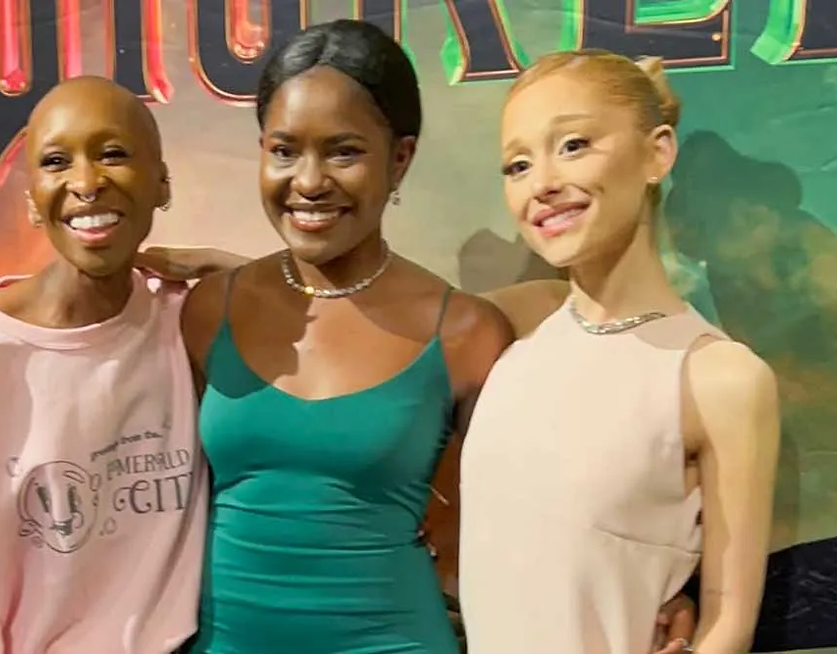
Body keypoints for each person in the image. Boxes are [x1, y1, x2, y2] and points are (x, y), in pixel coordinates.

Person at [132, 19, 697, 654]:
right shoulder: (211, 310)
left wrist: (651, 591)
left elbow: (543, 504)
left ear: (400, 158)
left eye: (343, 151)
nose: (309, 180)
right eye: (284, 150)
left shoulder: (464, 334)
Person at [0, 77, 215, 653]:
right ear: (32, 197)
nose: (86, 183)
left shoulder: (190, 322)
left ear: (161, 181)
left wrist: (235, 269)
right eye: (57, 162)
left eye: (113, 154)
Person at [458, 51, 779, 654]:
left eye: (574, 145)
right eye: (518, 164)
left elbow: (728, 622)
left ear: (657, 153)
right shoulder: (520, 327)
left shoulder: (721, 378)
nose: (543, 183)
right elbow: (385, 310)